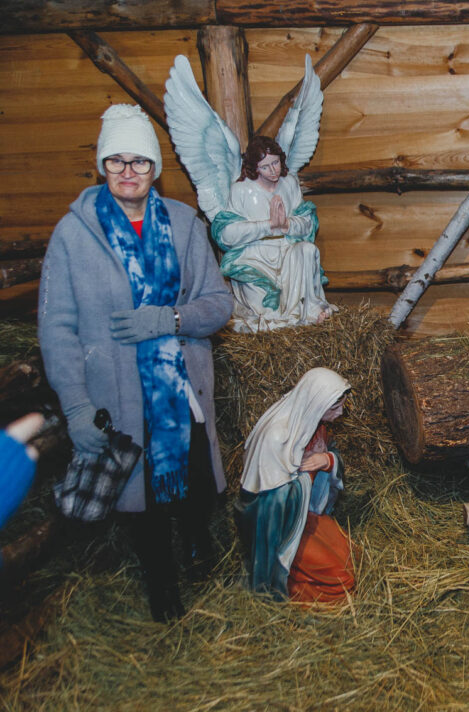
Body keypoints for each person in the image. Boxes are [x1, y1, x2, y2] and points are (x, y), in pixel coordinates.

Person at [37, 104, 232, 622]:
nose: (128, 171)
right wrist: (77, 407)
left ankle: (197, 543)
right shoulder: (73, 234)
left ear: (155, 167)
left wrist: (171, 318)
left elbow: (219, 304)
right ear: (102, 165)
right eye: (116, 160)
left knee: (192, 479)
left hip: (180, 389)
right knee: (141, 498)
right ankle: (161, 586)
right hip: (118, 394)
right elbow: (57, 329)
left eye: (140, 161)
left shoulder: (185, 224)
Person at [235, 367, 358, 603]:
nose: (341, 413)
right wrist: (307, 476)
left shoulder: (315, 424)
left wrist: (327, 461)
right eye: (335, 407)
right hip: (278, 531)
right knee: (339, 578)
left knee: (350, 554)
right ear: (316, 404)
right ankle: (288, 588)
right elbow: (272, 506)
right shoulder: (276, 438)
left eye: (342, 405)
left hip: (305, 516)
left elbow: (330, 454)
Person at [211, 136, 337, 333]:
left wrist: (286, 224)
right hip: (255, 256)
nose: (273, 170)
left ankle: (308, 311)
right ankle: (281, 321)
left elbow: (307, 223)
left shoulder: (290, 183)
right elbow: (227, 235)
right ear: (254, 168)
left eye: (275, 162)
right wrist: (268, 225)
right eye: (265, 166)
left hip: (287, 250)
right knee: (266, 315)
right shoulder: (241, 190)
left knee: (307, 250)